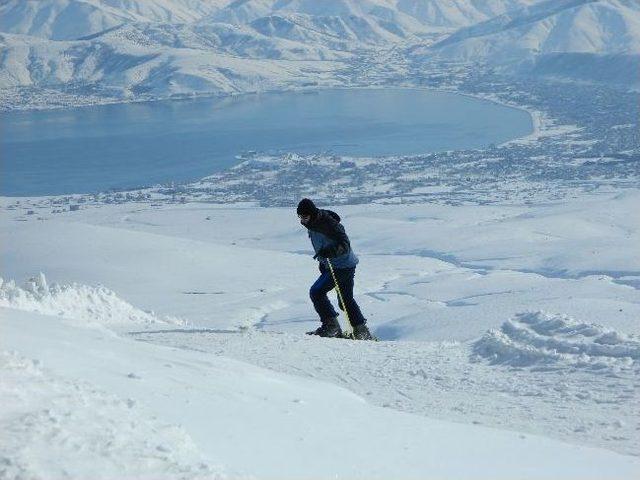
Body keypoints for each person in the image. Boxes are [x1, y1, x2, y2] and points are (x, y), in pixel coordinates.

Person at [297, 198, 373, 340]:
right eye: (300, 217)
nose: (302, 220)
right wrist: (323, 261)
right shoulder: (314, 223)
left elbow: (344, 244)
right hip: (339, 265)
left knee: (316, 292)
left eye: (305, 217)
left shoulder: (328, 224)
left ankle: (332, 328)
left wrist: (331, 252)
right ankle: (361, 331)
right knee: (345, 299)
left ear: (312, 214)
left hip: (341, 266)